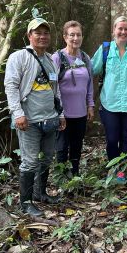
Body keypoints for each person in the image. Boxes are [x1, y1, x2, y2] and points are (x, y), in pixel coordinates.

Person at [4, 18, 66, 217]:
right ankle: (26, 202)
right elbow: (11, 86)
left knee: (47, 158)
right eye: (37, 33)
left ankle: (40, 194)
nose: (42, 36)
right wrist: (18, 113)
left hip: (49, 119)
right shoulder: (19, 57)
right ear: (29, 35)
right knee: (29, 162)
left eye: (45, 33)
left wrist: (61, 114)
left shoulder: (50, 60)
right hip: (28, 121)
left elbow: (56, 90)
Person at [91, 16, 127, 176]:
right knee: (112, 139)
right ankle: (113, 170)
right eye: (119, 29)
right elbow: (92, 69)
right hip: (110, 102)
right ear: (114, 31)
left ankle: (122, 173)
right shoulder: (106, 49)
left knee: (125, 138)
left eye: (126, 29)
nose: (123, 32)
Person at [52, 21, 94, 177]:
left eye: (78, 35)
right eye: (72, 35)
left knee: (77, 147)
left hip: (80, 113)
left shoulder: (85, 57)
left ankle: (74, 177)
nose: (75, 38)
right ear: (65, 37)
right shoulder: (57, 57)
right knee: (62, 148)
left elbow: (89, 83)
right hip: (63, 113)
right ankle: (62, 179)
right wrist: (59, 112)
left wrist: (90, 105)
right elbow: (53, 86)